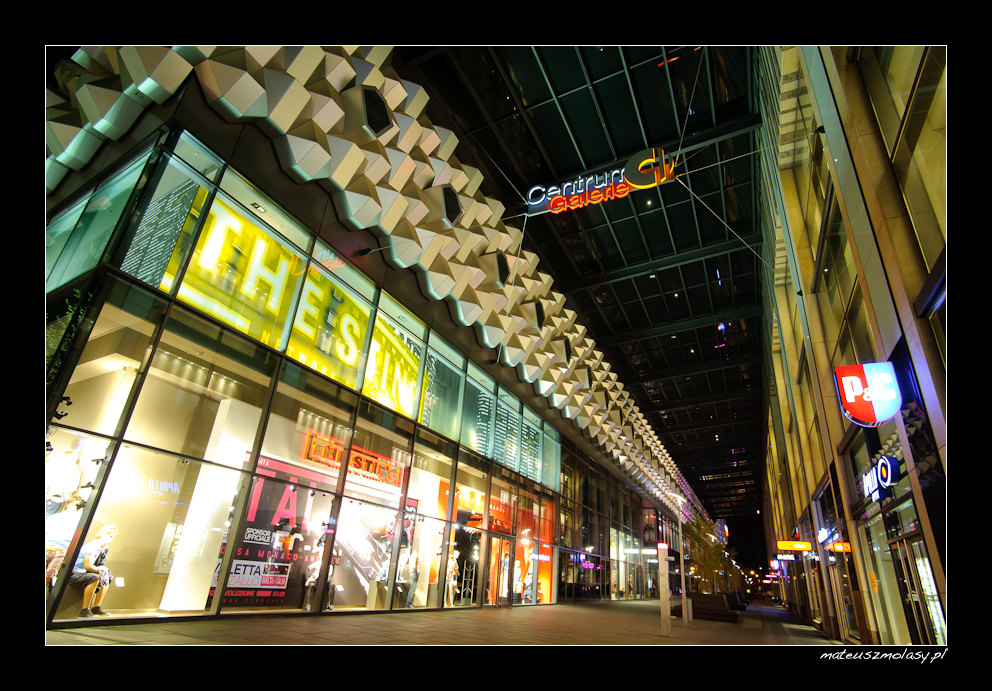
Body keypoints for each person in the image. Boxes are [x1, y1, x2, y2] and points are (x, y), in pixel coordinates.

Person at [68, 525, 118, 618]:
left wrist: (103, 571)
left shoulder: (103, 548)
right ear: (101, 534)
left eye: (112, 536)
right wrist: (100, 570)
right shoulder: (92, 546)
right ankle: (84, 609)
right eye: (108, 534)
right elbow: (87, 566)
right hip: (76, 573)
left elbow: (101, 564)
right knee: (95, 578)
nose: (110, 538)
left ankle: (96, 607)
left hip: (85, 573)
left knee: (107, 576)